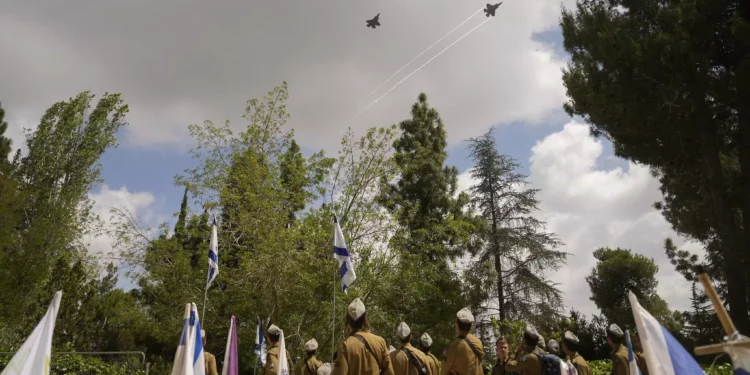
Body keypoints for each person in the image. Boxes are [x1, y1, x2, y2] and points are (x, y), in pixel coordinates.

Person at [334, 298, 394, 375]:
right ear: (365, 318)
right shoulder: (380, 341)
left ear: (348, 320)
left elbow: (341, 372)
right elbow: (389, 372)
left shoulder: (344, 344)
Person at [441, 307, 484, 375]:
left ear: (456, 324)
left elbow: (444, 370)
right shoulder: (478, 342)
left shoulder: (454, 345)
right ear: (470, 326)